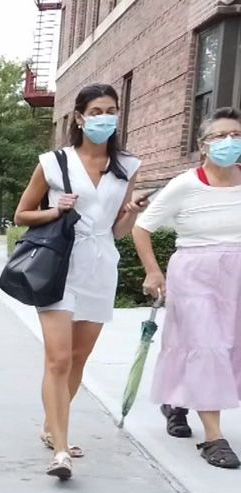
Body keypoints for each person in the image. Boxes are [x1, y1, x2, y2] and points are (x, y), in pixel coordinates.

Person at [13, 83, 148, 480]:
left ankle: (51, 426)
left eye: (112, 110)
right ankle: (60, 450)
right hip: (59, 265)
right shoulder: (54, 162)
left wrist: (133, 212)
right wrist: (55, 210)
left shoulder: (128, 166)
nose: (106, 117)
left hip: (100, 264)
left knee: (77, 359)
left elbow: (119, 231)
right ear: (80, 117)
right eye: (97, 110)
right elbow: (22, 214)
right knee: (57, 358)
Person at [133, 106, 241, 469]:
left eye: (236, 135)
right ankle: (214, 438)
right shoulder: (184, 184)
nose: (229, 142)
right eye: (220, 136)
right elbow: (142, 227)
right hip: (195, 273)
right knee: (206, 346)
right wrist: (153, 273)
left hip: (237, 274)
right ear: (202, 145)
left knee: (227, 347)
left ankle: (177, 402)